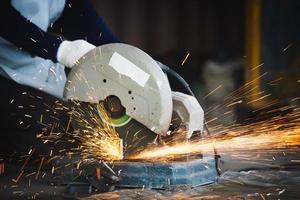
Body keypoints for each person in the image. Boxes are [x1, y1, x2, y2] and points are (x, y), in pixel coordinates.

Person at [0, 0, 119, 99]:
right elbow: (5, 18)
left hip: (38, 67)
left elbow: (80, 16)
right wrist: (61, 50)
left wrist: (123, 55)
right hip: (5, 71)